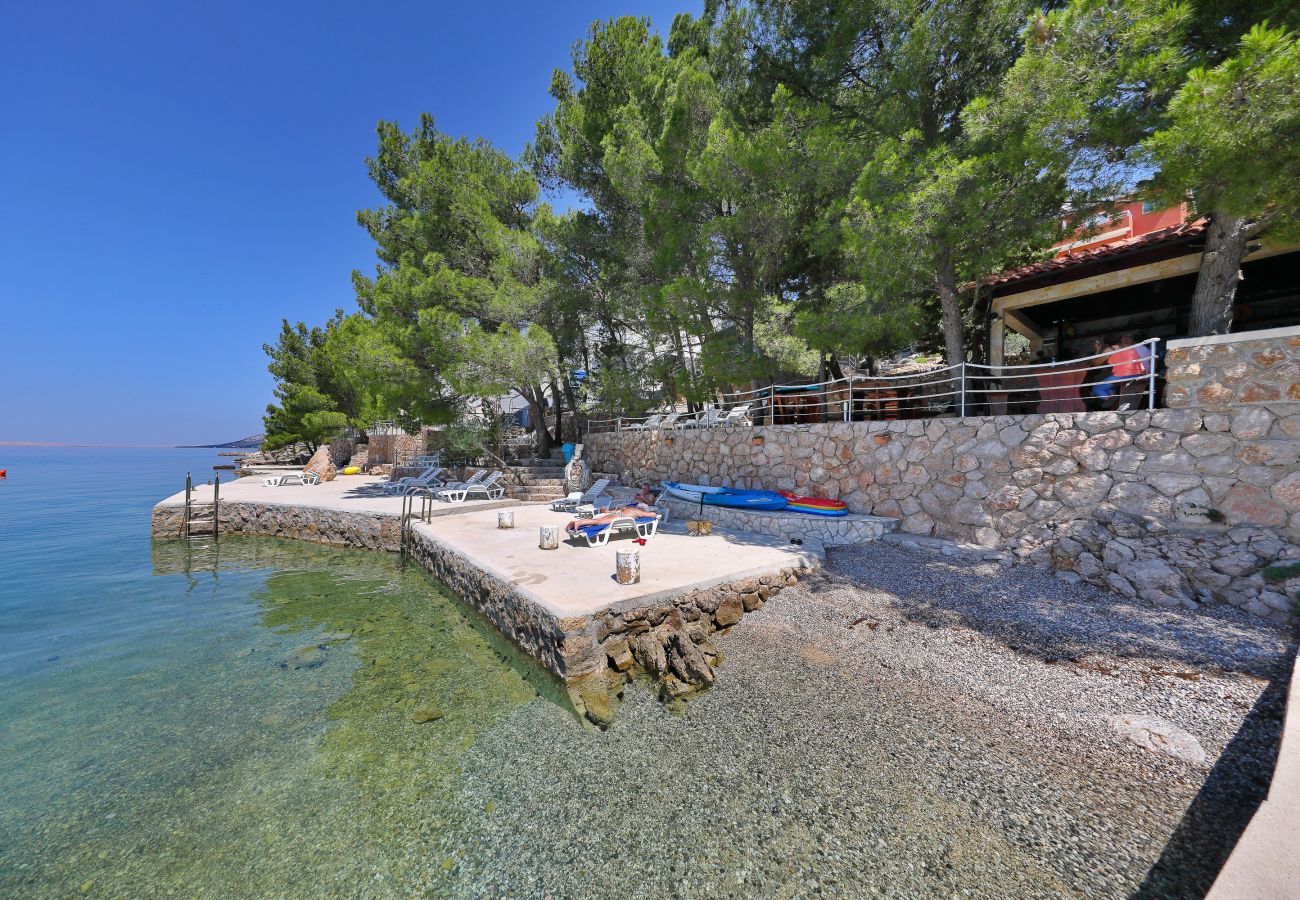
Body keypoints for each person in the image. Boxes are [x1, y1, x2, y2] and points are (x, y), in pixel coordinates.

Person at [1092, 334, 1143, 402]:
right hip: (1138, 373)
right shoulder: (1127, 346)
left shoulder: (1110, 349)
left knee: (1097, 389)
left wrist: (1097, 350)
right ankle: (1113, 398)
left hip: (1124, 374)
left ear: (1107, 344)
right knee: (1111, 387)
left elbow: (1096, 364)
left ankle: (1109, 400)